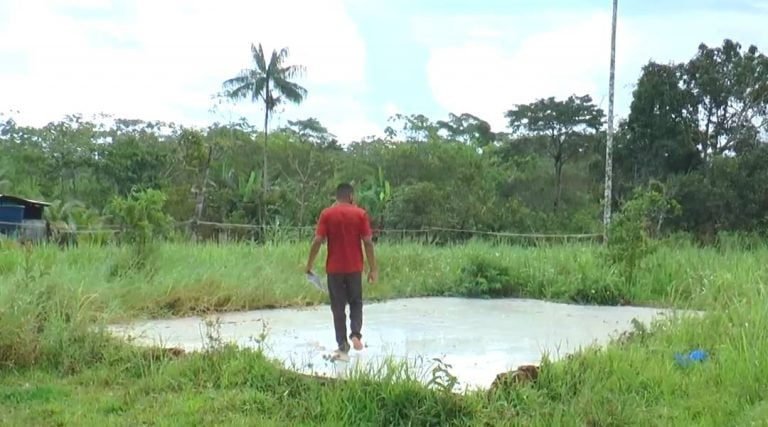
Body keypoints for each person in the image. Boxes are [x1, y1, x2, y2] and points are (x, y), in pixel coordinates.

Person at [305, 183, 378, 357]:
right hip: (354, 268)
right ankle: (355, 334)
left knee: (337, 307)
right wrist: (373, 269)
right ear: (351, 196)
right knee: (356, 303)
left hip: (334, 269)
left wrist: (309, 265)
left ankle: (342, 343)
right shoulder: (360, 214)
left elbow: (317, 241)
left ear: (336, 197)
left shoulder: (327, 214)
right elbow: (368, 242)